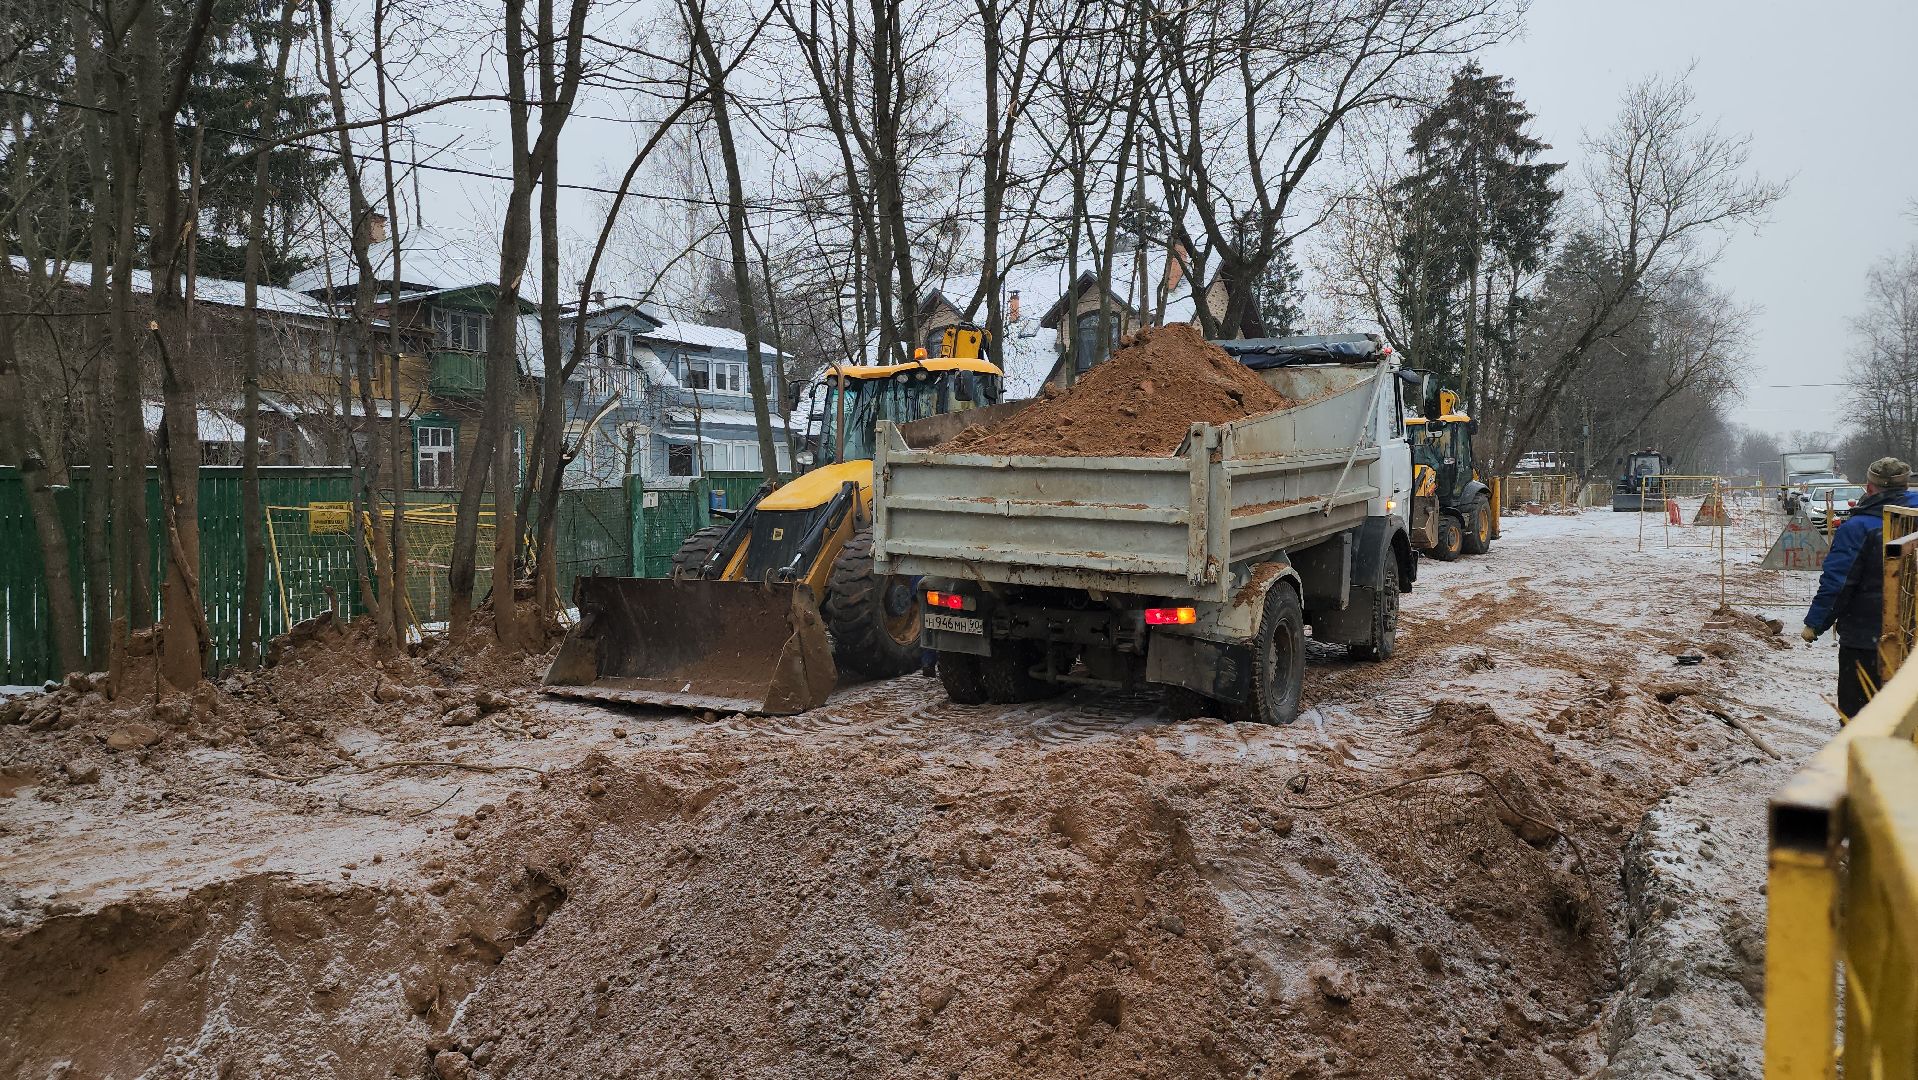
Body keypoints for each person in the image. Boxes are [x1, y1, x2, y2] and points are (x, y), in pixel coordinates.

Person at [1802, 457, 1918, 718]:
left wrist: (1816, 623)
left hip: (1868, 637)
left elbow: (1839, 581)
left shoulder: (1859, 528)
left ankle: (1861, 754)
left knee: (1859, 712)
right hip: (1912, 633)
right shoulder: (1913, 518)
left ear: (1869, 486)